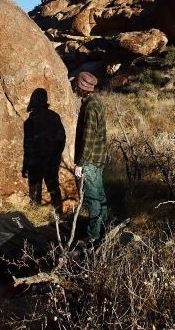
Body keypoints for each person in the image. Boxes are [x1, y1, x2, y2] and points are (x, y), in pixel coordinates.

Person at [72, 72, 108, 243]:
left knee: (93, 199)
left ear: (81, 88)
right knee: (100, 196)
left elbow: (88, 138)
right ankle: (104, 228)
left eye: (77, 86)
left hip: (91, 160)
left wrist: (80, 163)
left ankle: (93, 236)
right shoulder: (95, 102)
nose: (75, 89)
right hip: (98, 158)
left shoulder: (91, 106)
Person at [22, 88, 66, 214]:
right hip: (51, 160)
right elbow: (62, 139)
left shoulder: (30, 122)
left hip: (35, 162)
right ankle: (59, 215)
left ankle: (33, 217)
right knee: (53, 189)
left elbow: (28, 146)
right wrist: (56, 156)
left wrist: (26, 165)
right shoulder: (54, 117)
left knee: (35, 191)